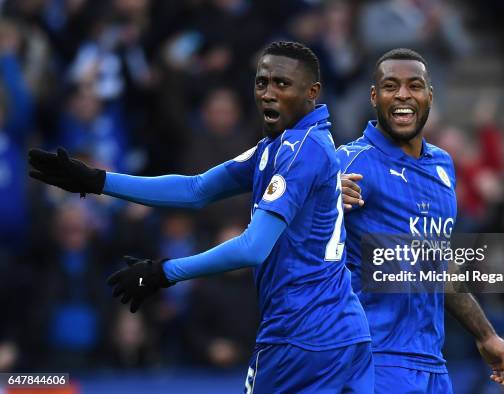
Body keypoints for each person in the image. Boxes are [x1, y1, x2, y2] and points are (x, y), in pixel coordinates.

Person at [28, 41, 373, 393]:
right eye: (261, 82)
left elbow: (252, 249)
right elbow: (196, 189)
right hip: (343, 333)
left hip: (301, 336)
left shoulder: (299, 152)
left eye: (281, 84)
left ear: (312, 92)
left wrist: (165, 272)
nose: (268, 93)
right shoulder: (282, 145)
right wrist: (98, 180)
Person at [338, 48, 504, 393]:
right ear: (374, 96)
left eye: (415, 85)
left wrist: (485, 335)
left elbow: (438, 263)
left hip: (432, 365)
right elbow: (288, 225)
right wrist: (323, 198)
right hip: (374, 358)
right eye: (391, 86)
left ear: (429, 96)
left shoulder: (443, 166)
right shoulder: (350, 162)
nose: (404, 95)